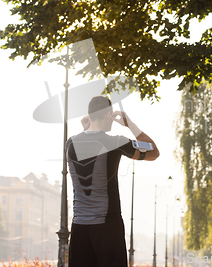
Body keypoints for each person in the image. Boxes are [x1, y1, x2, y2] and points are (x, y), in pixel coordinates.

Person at [66, 95, 160, 267]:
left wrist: (87, 129)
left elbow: (89, 143)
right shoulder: (116, 142)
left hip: (79, 228)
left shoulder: (70, 143)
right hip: (107, 227)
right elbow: (153, 151)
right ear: (109, 115)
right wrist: (129, 123)